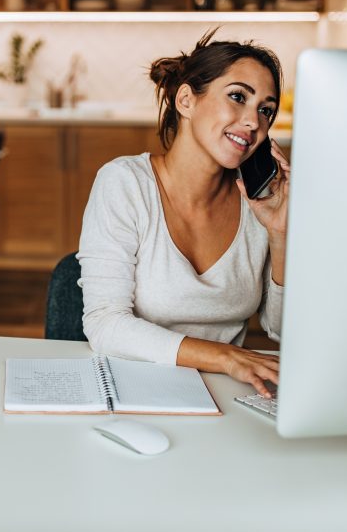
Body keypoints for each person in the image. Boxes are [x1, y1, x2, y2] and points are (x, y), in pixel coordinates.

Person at [77, 29, 290, 398]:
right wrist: (224, 357)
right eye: (238, 97)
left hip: (226, 393)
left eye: (265, 110)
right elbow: (104, 324)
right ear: (187, 100)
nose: (254, 122)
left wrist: (281, 234)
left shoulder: (261, 204)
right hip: (132, 385)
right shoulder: (125, 184)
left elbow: (281, 328)